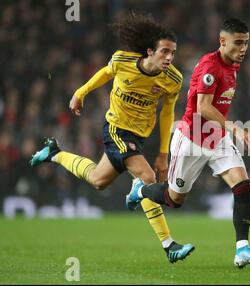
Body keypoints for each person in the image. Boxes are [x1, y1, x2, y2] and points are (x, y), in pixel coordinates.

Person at [29, 13, 194, 263]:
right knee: (148, 178)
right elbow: (105, 74)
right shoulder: (122, 60)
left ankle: (54, 153)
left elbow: (167, 114)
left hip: (140, 135)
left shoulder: (173, 79)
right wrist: (80, 92)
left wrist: (163, 153)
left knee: (98, 180)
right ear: (150, 51)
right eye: (164, 52)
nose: (170, 58)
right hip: (116, 128)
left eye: (173, 52)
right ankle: (168, 244)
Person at [126, 18, 250, 268]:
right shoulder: (210, 66)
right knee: (173, 199)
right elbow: (202, 107)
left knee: (243, 184)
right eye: (238, 43)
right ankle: (141, 190)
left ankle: (242, 248)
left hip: (216, 138)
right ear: (223, 42)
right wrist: (234, 128)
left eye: (246, 43)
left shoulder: (233, 64)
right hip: (191, 138)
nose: (243, 48)